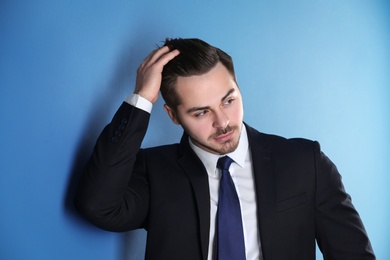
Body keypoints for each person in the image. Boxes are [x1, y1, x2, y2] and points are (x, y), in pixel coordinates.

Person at [74, 38, 375, 259]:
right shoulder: (155, 171)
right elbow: (98, 206)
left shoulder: (304, 162)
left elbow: (353, 255)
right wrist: (141, 100)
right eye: (201, 112)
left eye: (229, 100)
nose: (223, 122)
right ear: (173, 116)